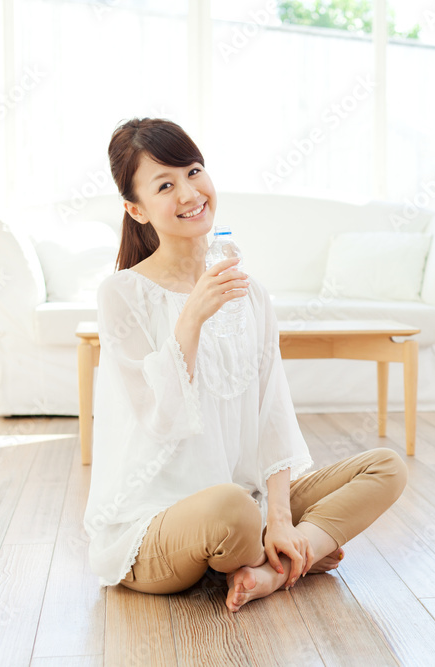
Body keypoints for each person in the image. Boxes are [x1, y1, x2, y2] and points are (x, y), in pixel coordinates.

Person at [83, 117, 408, 612]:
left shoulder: (250, 293)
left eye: (194, 172)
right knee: (229, 506)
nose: (189, 192)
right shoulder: (122, 295)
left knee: (386, 467)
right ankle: (302, 553)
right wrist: (191, 315)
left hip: (247, 504)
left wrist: (279, 516)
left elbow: (271, 412)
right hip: (155, 524)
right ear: (137, 209)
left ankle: (271, 567)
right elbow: (158, 419)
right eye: (165, 185)